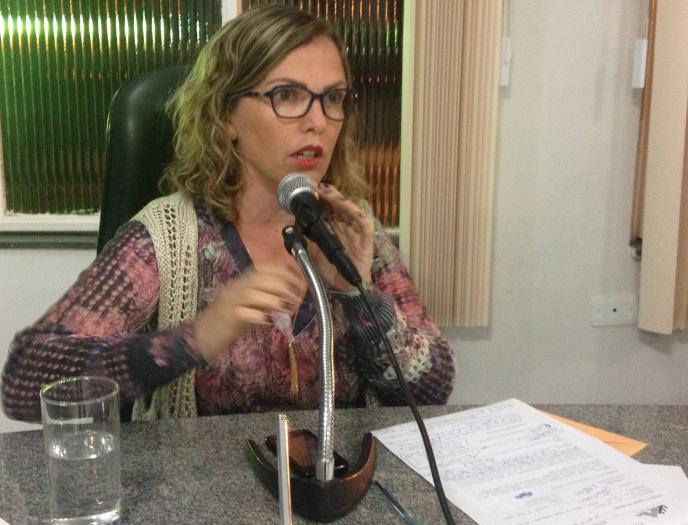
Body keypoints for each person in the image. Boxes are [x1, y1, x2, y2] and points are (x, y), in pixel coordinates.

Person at [1, 4, 454, 422]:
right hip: (210, 480)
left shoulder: (352, 228)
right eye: (287, 95)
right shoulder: (170, 238)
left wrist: (359, 296)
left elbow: (433, 388)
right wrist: (194, 338)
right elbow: (24, 383)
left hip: (336, 473)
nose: (318, 121)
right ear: (226, 116)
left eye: (333, 98)